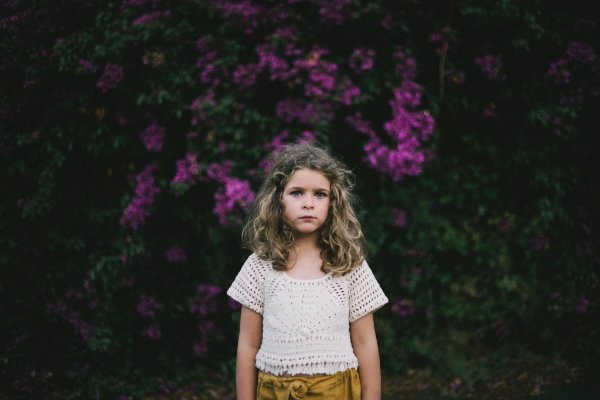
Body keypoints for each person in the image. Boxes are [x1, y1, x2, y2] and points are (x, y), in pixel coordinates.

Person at [227, 143, 388, 400]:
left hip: (337, 392)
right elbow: (247, 344)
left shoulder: (349, 263)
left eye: (320, 194)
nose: (308, 203)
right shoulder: (260, 265)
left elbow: (366, 343)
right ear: (278, 199)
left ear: (333, 202)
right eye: (297, 193)